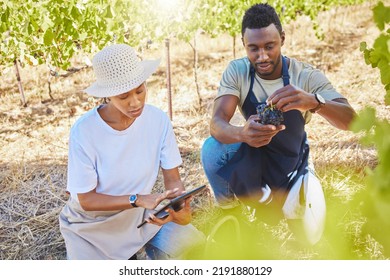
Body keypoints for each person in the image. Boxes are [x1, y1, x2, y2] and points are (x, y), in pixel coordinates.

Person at [201, 3, 356, 245]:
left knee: (308, 237)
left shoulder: (304, 75)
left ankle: (288, 192)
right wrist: (242, 133)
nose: (262, 56)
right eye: (253, 48)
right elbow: (217, 123)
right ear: (244, 44)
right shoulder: (238, 71)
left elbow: (351, 120)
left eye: (269, 46)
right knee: (212, 150)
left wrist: (313, 101)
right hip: (255, 151)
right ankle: (231, 213)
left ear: (282, 39)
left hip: (293, 158)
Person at [59, 43, 204, 260]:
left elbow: (173, 180)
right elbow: (87, 200)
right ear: (108, 95)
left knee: (202, 252)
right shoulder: (85, 131)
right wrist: (137, 199)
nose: (135, 102)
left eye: (140, 90)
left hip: (142, 218)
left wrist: (177, 207)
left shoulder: (158, 120)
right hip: (93, 228)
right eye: (124, 96)